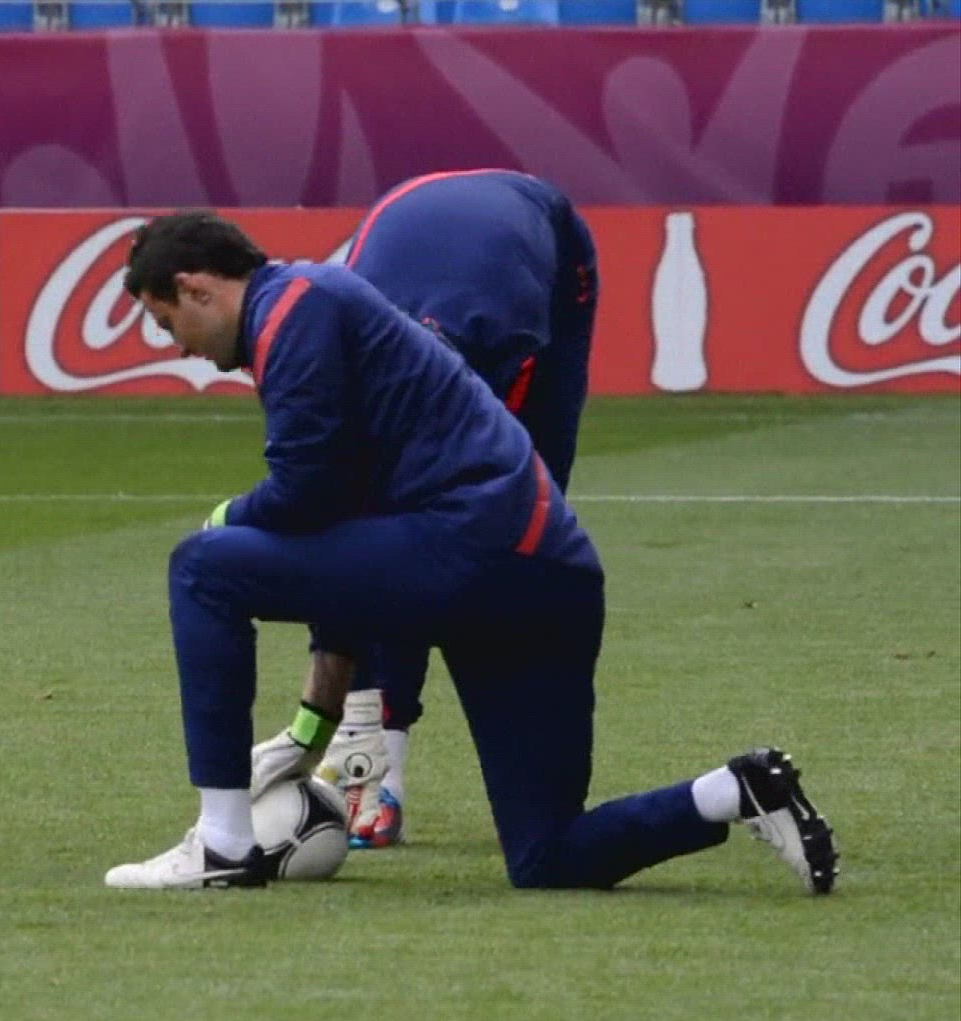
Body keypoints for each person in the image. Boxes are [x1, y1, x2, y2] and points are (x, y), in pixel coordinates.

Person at [102, 211, 837, 894]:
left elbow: (307, 495)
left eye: (168, 323)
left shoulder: (292, 311)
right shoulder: (315, 301)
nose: (180, 348)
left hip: (468, 550)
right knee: (548, 855)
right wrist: (311, 729)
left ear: (196, 288)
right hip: (548, 573)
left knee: (201, 568)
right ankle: (737, 790)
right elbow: (340, 536)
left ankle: (223, 846)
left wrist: (222, 518)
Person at [317, 168, 601, 850]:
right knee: (370, 533)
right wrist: (343, 726)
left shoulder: (497, 348)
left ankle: (531, 758)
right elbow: (338, 550)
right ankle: (376, 772)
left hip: (546, 251)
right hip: (410, 209)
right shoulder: (326, 370)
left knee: (522, 516)